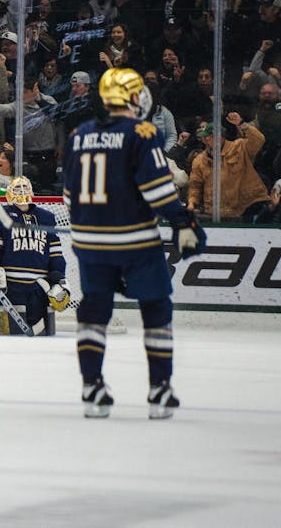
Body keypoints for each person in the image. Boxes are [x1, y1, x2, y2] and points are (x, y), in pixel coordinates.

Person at [64, 68, 206, 420]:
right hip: (136, 240)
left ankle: (91, 386)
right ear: (132, 98)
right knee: (156, 307)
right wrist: (182, 220)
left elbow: (68, 195)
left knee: (94, 310)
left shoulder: (79, 134)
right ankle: (159, 389)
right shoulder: (144, 133)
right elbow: (158, 192)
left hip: (89, 242)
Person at [0, 177, 68, 335]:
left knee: (42, 333)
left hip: (38, 289)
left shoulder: (46, 218)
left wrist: (59, 278)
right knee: (7, 334)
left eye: (24, 189)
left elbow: (55, 253)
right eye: (17, 189)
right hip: (10, 289)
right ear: (10, 193)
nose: (21, 193)